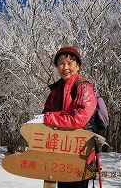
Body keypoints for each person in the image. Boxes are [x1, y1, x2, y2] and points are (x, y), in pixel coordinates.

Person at [41, 46, 97, 188]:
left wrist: (49, 118)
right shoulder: (55, 90)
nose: (65, 67)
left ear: (77, 66)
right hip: (60, 150)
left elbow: (78, 119)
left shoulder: (83, 87)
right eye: (61, 63)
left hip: (80, 151)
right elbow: (45, 113)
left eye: (70, 63)